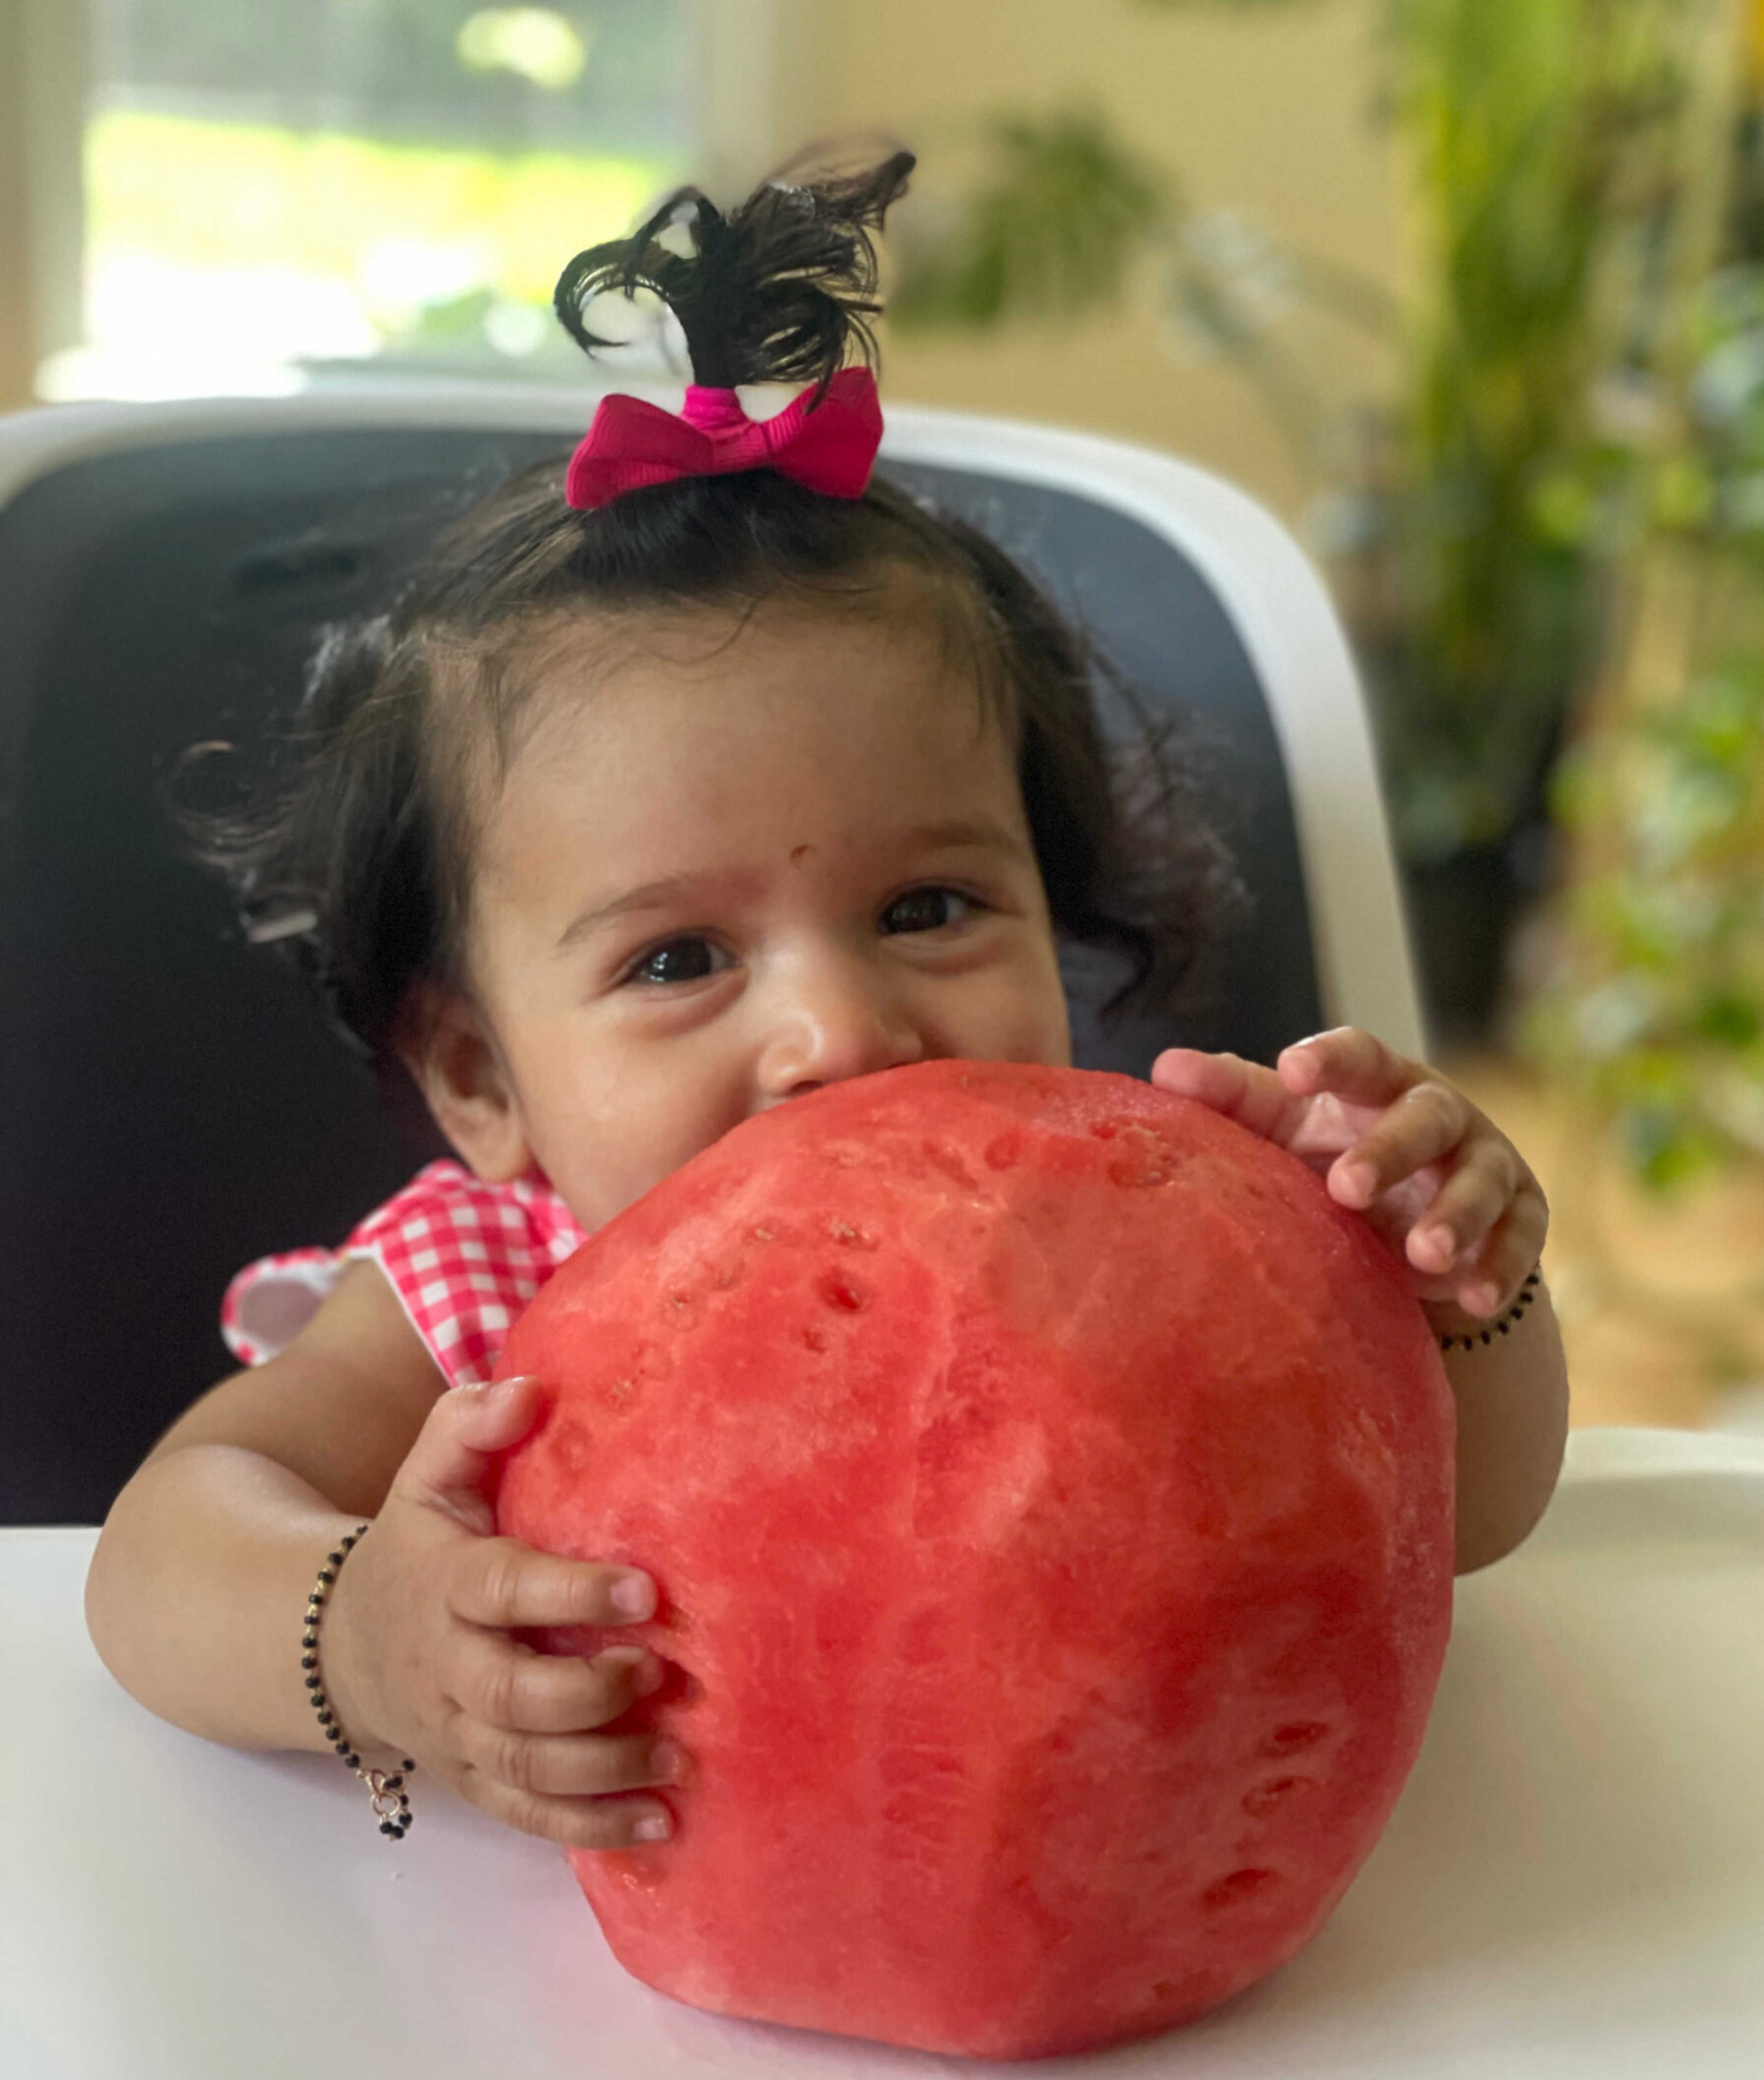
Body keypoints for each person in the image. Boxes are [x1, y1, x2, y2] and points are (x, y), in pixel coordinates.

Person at [86, 154, 1568, 1855]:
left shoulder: (1147, 1246)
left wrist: (1459, 1296)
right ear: (484, 1077)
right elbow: (155, 1556)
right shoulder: (481, 1291)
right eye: (679, 959)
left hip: (1101, 1886)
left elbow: (1468, 1520)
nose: (841, 1037)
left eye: (927, 908)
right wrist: (364, 1633)